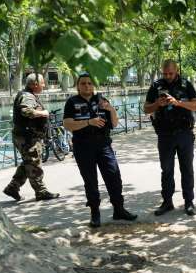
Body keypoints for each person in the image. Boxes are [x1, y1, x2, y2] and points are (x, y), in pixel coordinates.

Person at [63, 73, 137, 227]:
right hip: (83, 146)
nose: (87, 86)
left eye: (90, 83)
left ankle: (119, 209)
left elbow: (114, 124)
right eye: (83, 83)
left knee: (114, 176)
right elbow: (67, 124)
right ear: (78, 86)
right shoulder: (72, 102)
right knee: (90, 181)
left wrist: (111, 109)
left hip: (103, 145)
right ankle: (95, 213)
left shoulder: (102, 100)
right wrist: (89, 122)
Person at [144, 59, 196, 216]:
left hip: (184, 133)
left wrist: (178, 103)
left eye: (171, 73)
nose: (168, 76)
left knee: (187, 169)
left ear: (177, 71)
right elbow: (146, 109)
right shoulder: (156, 86)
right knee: (166, 170)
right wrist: (157, 104)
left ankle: (189, 202)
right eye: (165, 73)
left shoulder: (186, 85)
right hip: (165, 134)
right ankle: (167, 202)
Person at [3, 73, 59, 202]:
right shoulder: (27, 96)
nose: (44, 85)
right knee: (34, 164)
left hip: (26, 136)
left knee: (28, 163)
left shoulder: (28, 94)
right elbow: (26, 111)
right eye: (42, 83)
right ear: (35, 84)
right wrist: (43, 113)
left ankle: (12, 188)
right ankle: (41, 192)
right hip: (27, 138)